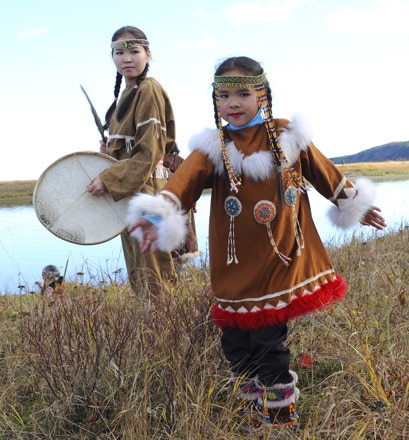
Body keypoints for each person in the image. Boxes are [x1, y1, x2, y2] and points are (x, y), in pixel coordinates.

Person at [126, 56, 386, 434]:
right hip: (234, 265)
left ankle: (280, 421)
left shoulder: (287, 135)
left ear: (262, 95)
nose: (233, 102)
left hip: (280, 257)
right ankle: (252, 413)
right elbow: (181, 184)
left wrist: (353, 204)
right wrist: (157, 213)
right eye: (224, 94)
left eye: (243, 93)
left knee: (268, 343)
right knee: (235, 343)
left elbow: (324, 172)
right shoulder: (212, 146)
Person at [86, 26, 177, 295]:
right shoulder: (124, 95)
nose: (127, 58)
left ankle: (166, 330)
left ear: (147, 54)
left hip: (146, 190)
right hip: (131, 190)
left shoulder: (148, 89)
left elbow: (149, 152)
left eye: (134, 51)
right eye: (119, 52)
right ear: (112, 57)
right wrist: (109, 152)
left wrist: (109, 178)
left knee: (153, 268)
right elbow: (129, 146)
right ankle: (151, 329)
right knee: (139, 265)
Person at [163, 143, 200, 266]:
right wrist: (193, 204)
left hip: (167, 209)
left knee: (170, 252)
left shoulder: (159, 162)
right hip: (182, 208)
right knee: (183, 250)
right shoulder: (180, 161)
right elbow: (191, 185)